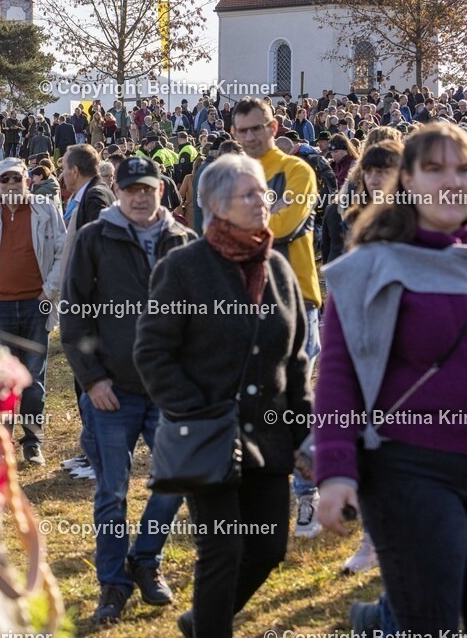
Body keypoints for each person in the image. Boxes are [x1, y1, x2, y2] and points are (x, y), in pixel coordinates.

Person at [134, 154, 313, 638]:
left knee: (269, 548)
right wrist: (196, 411)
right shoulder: (184, 268)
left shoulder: (278, 267)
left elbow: (295, 361)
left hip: (268, 441)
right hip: (208, 438)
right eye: (249, 194)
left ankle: (202, 622)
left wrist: (303, 436)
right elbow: (152, 352)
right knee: (222, 550)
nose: (263, 202)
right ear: (215, 205)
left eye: (264, 192)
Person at [316, 122, 467, 637]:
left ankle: (372, 624)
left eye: (463, 170)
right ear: (406, 180)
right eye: (435, 169)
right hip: (408, 470)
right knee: (431, 621)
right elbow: (338, 374)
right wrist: (335, 471)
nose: (452, 181)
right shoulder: (370, 266)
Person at [60, 155, 195, 624]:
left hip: (168, 391)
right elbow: (73, 311)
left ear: (161, 190)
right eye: (131, 188)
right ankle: (113, 585)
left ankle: (146, 558)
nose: (140, 197)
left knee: (177, 477)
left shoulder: (184, 241)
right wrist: (92, 378)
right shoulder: (95, 236)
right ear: (118, 191)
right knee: (112, 492)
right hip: (112, 391)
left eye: (148, 188)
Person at [232, 97, 322, 537]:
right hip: (246, 302)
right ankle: (259, 493)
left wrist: (239, 230)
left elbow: (288, 224)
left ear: (274, 125)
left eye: (257, 128)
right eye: (242, 130)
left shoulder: (298, 168)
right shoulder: (231, 175)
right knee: (254, 401)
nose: (250, 136)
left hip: (297, 299)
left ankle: (307, 496)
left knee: (297, 401)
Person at [0, 157, 65, 466]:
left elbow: (63, 252)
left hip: (37, 305)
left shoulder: (46, 210)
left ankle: (33, 443)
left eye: (16, 179)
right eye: (4, 179)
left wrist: (48, 291)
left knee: (34, 380)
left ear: (26, 180)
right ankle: (2, 444)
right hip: (0, 308)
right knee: (2, 381)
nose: (10, 185)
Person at [58, 144, 117, 480]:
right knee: (84, 382)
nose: (61, 173)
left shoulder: (96, 198)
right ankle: (91, 451)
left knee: (92, 379)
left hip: (93, 307)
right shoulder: (89, 195)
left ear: (75, 170)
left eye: (64, 168)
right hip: (84, 303)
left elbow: (98, 255)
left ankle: (100, 457)